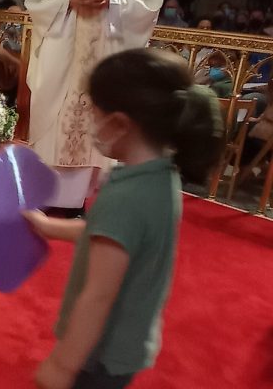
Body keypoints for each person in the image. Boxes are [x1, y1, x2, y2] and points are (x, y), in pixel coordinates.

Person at [24, 49, 224, 389]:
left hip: (98, 354)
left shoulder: (126, 197)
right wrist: (49, 227)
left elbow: (99, 296)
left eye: (94, 113)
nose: (92, 123)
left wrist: (62, 364)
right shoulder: (160, 177)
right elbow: (114, 237)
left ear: (119, 124)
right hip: (126, 344)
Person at [24, 0, 164, 217]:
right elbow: (36, 2)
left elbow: (150, 3)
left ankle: (77, 201)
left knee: (95, 125)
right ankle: (47, 194)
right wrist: (69, 1)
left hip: (106, 59)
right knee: (56, 123)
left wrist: (114, 1)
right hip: (63, 61)